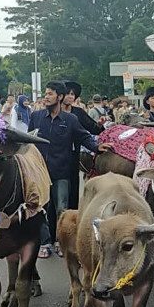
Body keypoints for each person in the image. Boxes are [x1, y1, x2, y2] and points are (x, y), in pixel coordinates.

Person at [28, 81, 112, 258]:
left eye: (50, 94)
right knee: (41, 207)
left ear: (59, 97)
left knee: (62, 208)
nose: (46, 96)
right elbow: (29, 141)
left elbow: (83, 137)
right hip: (40, 172)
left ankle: (60, 241)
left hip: (62, 171)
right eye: (46, 93)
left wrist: (98, 147)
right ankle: (45, 242)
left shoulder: (71, 119)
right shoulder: (36, 117)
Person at [62, 80, 103, 211]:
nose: (70, 97)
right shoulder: (52, 112)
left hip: (74, 154)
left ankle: (72, 217)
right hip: (54, 155)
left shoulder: (78, 113)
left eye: (72, 94)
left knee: (73, 187)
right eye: (67, 93)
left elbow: (92, 129)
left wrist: (100, 125)